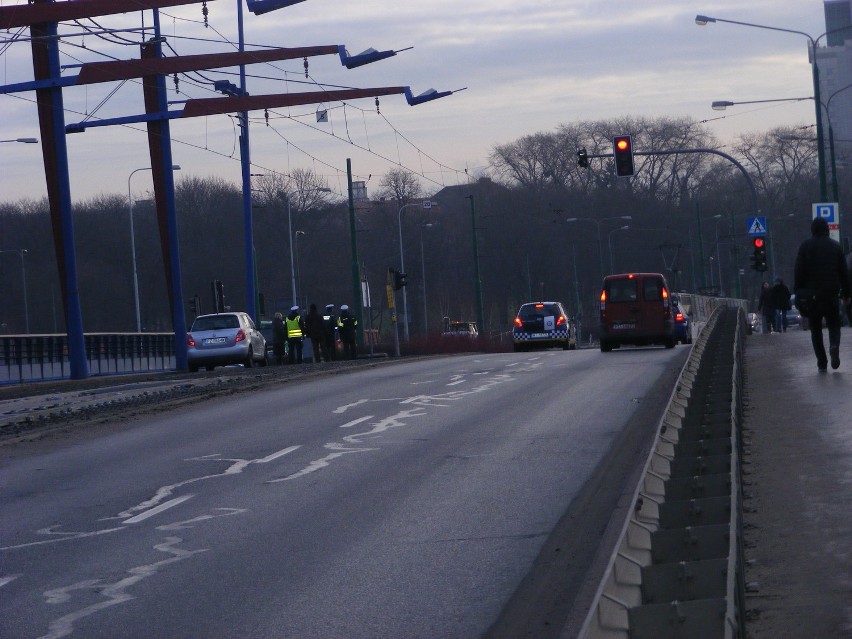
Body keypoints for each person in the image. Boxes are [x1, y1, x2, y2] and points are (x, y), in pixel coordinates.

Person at [794, 216, 851, 371]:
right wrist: (846, 294)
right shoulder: (835, 246)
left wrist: (797, 291)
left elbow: (798, 271)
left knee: (816, 328)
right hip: (831, 294)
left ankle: (822, 362)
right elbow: (844, 273)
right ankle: (833, 346)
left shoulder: (805, 246)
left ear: (813, 230)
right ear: (827, 229)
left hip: (812, 296)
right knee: (834, 325)